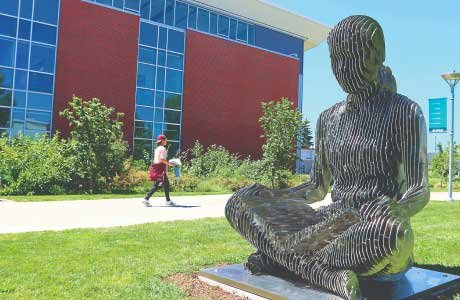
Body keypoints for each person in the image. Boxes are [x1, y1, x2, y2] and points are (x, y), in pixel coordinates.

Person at [225, 15, 429, 300]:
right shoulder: (328, 118)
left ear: (377, 55)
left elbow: (418, 189)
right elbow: (316, 187)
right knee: (240, 202)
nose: (342, 69)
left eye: (352, 57)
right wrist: (275, 197)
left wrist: (401, 209)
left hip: (365, 227)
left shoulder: (404, 112)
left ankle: (281, 259)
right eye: (336, 59)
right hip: (326, 224)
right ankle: (323, 274)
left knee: (392, 235)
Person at [142, 134, 176, 207]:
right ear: (163, 141)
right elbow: (162, 159)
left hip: (156, 167)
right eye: (165, 140)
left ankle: (168, 200)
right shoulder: (163, 149)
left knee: (165, 183)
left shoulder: (157, 148)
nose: (166, 141)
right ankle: (146, 199)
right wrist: (170, 164)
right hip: (160, 168)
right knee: (158, 184)